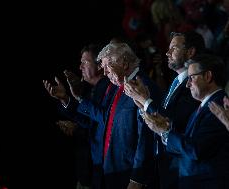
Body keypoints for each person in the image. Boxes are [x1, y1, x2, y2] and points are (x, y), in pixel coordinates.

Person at [73, 42, 162, 189]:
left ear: (125, 63)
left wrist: (137, 178)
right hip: (114, 172)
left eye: (108, 66)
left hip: (130, 177)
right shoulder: (118, 87)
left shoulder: (142, 86)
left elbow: (147, 138)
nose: (105, 72)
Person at [124, 31, 204, 189]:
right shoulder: (175, 81)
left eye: (173, 48)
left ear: (190, 52)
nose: (167, 53)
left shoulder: (193, 86)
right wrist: (143, 107)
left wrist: (145, 100)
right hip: (163, 168)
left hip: (179, 170)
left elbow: (172, 121)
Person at [143, 54, 229, 189]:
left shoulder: (220, 107)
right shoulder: (204, 105)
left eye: (191, 78)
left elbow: (196, 149)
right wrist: (166, 130)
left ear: (208, 76)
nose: (187, 84)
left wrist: (165, 132)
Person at [43, 43, 110, 189]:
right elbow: (86, 119)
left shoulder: (109, 89)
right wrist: (65, 99)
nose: (80, 67)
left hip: (103, 172)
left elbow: (104, 124)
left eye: (85, 62)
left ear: (100, 65)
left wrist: (77, 128)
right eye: (80, 63)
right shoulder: (88, 89)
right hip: (87, 172)